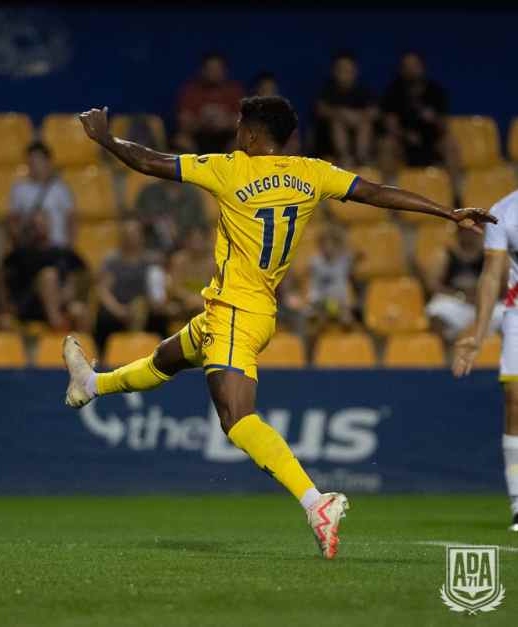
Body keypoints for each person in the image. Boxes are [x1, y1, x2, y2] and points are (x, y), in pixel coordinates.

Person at [66, 99, 494, 559]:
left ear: (251, 135)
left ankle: (316, 502)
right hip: (248, 310)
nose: (235, 132)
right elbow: (376, 191)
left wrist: (106, 139)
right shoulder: (312, 172)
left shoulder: (230, 169)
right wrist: (447, 212)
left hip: (235, 311)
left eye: (239, 126)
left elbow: (150, 161)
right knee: (167, 357)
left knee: (235, 419)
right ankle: (91, 383)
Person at [451, 188, 518, 532]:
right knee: (514, 402)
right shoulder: (504, 211)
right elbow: (492, 273)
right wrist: (477, 335)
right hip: (517, 312)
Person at [5, 211, 90, 333]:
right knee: (48, 275)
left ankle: (83, 349)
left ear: (49, 224)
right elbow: (7, 279)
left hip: (61, 299)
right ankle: (57, 326)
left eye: (42, 223)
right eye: (35, 224)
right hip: (32, 305)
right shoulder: (21, 253)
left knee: (79, 310)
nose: (39, 227)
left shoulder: (63, 252)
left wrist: (71, 286)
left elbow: (84, 273)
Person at [94, 216, 169, 349]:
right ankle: (102, 359)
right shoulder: (112, 260)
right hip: (118, 310)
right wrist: (118, 310)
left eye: (134, 233)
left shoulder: (151, 261)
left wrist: (151, 305)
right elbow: (103, 290)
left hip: (146, 309)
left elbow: (158, 291)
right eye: (127, 234)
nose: (130, 237)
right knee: (102, 320)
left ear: (141, 236)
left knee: (162, 320)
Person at [380, 52, 452, 171]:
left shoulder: (436, 91)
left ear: (422, 67)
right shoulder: (393, 92)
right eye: (407, 66)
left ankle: (458, 189)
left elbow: (444, 126)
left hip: (431, 142)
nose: (411, 69)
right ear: (401, 70)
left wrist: (434, 119)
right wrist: (406, 135)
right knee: (386, 145)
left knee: (449, 145)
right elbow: (390, 125)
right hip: (403, 142)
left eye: (414, 65)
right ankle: (388, 187)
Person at [426, 228, 501, 342]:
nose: (470, 236)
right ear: (458, 233)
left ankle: (499, 349)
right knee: (436, 310)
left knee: (509, 311)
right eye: (466, 232)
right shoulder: (445, 255)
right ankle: (444, 349)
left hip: (482, 304)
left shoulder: (490, 257)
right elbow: (433, 285)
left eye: (473, 232)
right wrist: (460, 295)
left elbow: (500, 284)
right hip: (456, 302)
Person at [313, 52, 377, 168]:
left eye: (349, 69)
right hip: (330, 144)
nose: (345, 73)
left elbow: (374, 112)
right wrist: (342, 114)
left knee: (365, 124)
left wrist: (357, 116)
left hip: (359, 135)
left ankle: (361, 158)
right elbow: (320, 109)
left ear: (355, 71)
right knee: (337, 123)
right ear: (334, 71)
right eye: (341, 69)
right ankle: (344, 157)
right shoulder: (327, 90)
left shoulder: (363, 90)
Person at [174, 52, 245, 153]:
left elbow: (242, 122)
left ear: (225, 71)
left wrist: (225, 122)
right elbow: (183, 122)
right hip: (198, 137)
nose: (214, 72)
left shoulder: (234, 91)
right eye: (210, 69)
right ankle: (194, 167)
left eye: (218, 69)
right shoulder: (191, 91)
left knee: (241, 143)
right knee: (181, 141)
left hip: (226, 138)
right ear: (203, 70)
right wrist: (203, 122)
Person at [9, 141, 75, 248]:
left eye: (38, 161)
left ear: (48, 162)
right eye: (31, 162)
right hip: (30, 248)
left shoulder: (61, 189)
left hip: (57, 247)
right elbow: (13, 220)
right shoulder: (19, 189)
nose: (34, 166)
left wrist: (69, 248)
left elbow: (71, 220)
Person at [304, 223, 356, 335]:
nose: (328, 248)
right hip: (321, 301)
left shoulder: (344, 260)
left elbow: (359, 255)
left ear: (337, 246)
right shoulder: (315, 262)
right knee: (316, 318)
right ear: (320, 246)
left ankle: (346, 341)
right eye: (324, 245)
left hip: (340, 301)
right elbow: (311, 285)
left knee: (346, 317)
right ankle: (317, 342)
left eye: (331, 244)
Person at [134, 177, 207, 253]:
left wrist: (182, 239)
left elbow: (201, 227)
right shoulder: (149, 192)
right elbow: (136, 220)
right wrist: (152, 221)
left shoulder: (192, 194)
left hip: (186, 250)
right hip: (152, 250)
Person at [167, 224, 216, 322]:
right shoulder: (178, 260)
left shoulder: (213, 263)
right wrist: (189, 298)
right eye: (193, 240)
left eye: (199, 240)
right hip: (182, 303)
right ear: (186, 241)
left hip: (205, 303)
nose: (196, 244)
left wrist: (199, 299)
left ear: (206, 241)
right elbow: (174, 288)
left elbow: (216, 289)